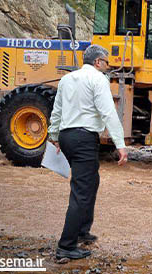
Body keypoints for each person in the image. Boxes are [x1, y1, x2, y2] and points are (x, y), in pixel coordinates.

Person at [48, 44, 129, 260]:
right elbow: (108, 112)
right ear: (97, 62)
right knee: (82, 191)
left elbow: (57, 110)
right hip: (84, 138)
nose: (107, 66)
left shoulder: (66, 79)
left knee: (91, 182)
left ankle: (82, 231)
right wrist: (120, 144)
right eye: (106, 62)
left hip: (67, 136)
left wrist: (53, 136)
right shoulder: (98, 79)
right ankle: (66, 245)